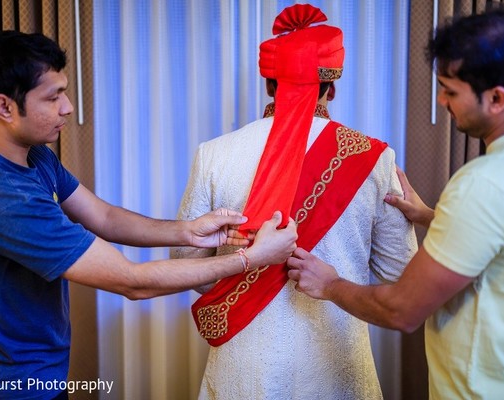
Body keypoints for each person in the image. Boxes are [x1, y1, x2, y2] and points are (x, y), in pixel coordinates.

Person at [0, 30, 298, 400]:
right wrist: (250, 259)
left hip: (14, 365)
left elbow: (105, 217)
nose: (67, 107)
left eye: (64, 92)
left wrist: (188, 232)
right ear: (4, 108)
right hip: (6, 385)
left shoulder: (15, 152)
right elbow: (132, 282)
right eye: (53, 97)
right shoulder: (6, 201)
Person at [287, 8, 504, 400]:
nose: (440, 100)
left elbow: (402, 310)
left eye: (451, 91)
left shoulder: (482, 185)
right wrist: (433, 217)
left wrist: (330, 284)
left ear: (497, 98)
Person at [171, 4, 417, 399]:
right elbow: (400, 274)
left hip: (245, 368)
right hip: (336, 365)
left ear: (269, 84)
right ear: (331, 86)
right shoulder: (374, 158)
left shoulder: (214, 154)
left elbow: (188, 269)